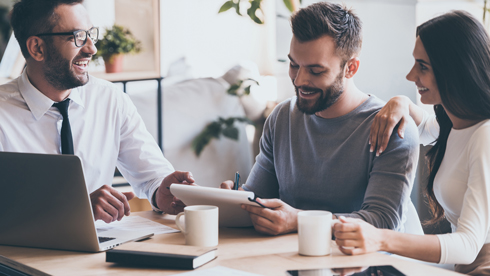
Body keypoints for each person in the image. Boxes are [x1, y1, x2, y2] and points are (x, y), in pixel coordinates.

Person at [221, 2, 419, 235]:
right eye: (294, 65)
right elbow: (259, 201)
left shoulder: (391, 128)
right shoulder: (281, 118)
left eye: (316, 71)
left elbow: (383, 221)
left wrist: (300, 221)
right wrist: (232, 201)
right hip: (289, 261)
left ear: (351, 68)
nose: (299, 80)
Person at [0, 0, 194, 224]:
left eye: (90, 34)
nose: (91, 48)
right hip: (19, 254)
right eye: (77, 37)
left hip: (100, 250)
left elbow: (152, 176)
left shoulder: (111, 100)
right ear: (37, 48)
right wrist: (75, 209)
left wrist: (161, 192)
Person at [333, 11, 490, 275]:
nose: (410, 75)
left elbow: (467, 245)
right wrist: (400, 102)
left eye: (423, 66)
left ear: (455, 70)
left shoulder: (485, 136)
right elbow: (424, 127)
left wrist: (379, 238)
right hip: (461, 266)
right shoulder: (454, 122)